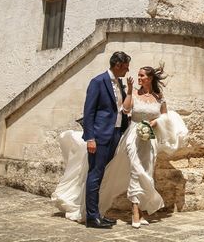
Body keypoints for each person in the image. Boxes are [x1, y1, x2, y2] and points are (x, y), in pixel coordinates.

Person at [51, 62, 188, 228]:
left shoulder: (159, 97)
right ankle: (135, 212)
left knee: (147, 173)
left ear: (150, 78)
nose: (139, 78)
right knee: (136, 171)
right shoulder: (134, 93)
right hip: (133, 135)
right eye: (138, 75)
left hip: (149, 138)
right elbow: (125, 109)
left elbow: (165, 116)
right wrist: (130, 91)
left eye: (142, 75)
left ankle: (143, 211)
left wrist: (155, 122)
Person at [82, 51, 133, 229]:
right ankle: (91, 217)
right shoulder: (98, 82)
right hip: (100, 136)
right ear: (118, 65)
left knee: (103, 175)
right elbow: (88, 112)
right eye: (126, 67)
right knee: (95, 175)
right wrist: (90, 138)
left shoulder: (119, 83)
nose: (128, 70)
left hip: (115, 134)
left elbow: (120, 109)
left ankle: (99, 213)